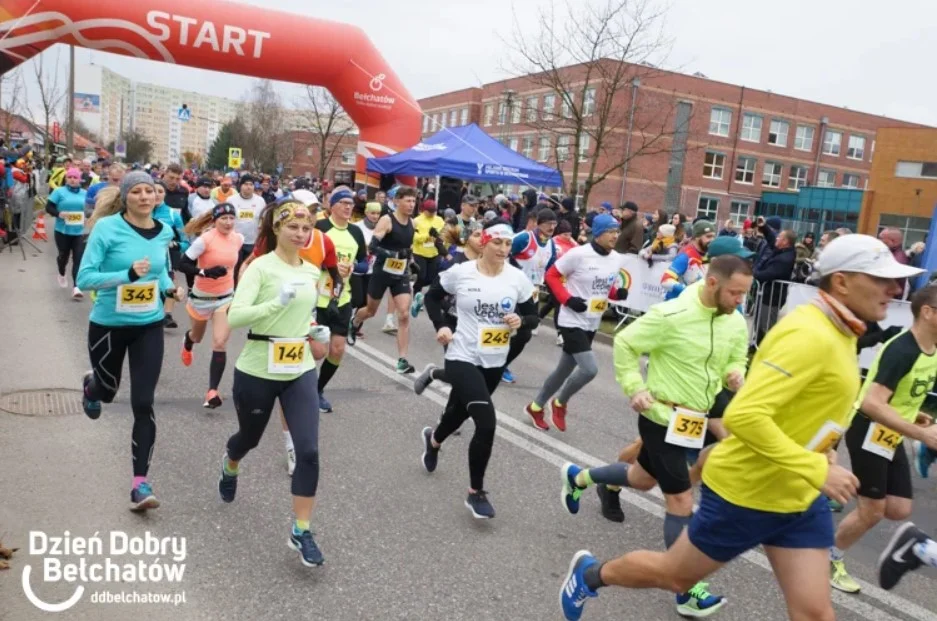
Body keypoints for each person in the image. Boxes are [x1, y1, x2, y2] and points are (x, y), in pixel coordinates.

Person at [558, 234, 923, 621]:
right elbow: (744, 416)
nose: (896, 289)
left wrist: (823, 449)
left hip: (798, 494)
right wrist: (815, 466)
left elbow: (805, 403)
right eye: (880, 278)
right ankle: (591, 574)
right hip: (748, 491)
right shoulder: (808, 333)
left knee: (816, 614)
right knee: (674, 574)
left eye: (896, 280)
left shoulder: (841, 331)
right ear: (842, 282)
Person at [559, 254, 751, 618]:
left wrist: (735, 372)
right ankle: (687, 591)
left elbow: (737, 355)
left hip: (694, 420)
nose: (739, 301)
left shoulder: (734, 320)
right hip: (661, 416)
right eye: (735, 293)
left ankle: (578, 477)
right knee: (680, 502)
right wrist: (634, 387)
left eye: (744, 295)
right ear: (712, 283)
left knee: (641, 478)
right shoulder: (672, 315)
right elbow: (626, 342)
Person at [218, 200, 327, 567]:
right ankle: (231, 463)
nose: (301, 233)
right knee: (248, 438)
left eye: (306, 227)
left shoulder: (312, 271)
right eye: (293, 227)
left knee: (308, 451)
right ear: (277, 229)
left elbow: (306, 313)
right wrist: (273, 306)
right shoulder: (258, 268)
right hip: (257, 368)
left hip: (298, 369)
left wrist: (315, 330)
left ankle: (301, 530)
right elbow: (235, 317)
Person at [76, 172, 184, 512]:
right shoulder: (107, 229)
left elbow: (161, 271)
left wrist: (169, 288)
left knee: (143, 402)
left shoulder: (164, 230)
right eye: (136, 191)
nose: (144, 196)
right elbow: (86, 277)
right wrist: (126, 276)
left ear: (156, 196)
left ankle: (140, 483)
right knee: (108, 392)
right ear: (125, 197)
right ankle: (92, 388)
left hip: (147, 325)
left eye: (149, 191)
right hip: (108, 325)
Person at [420, 219, 538, 519]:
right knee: (486, 422)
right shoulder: (461, 273)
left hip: (495, 360)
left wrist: (521, 322)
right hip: (461, 355)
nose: (503, 248)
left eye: (508, 243)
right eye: (497, 242)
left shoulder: (517, 278)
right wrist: (443, 325)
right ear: (483, 242)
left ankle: (433, 440)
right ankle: (475, 493)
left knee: (458, 413)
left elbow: (533, 316)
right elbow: (432, 296)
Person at [828, 284, 937, 593]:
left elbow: (899, 396)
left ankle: (837, 483)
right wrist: (920, 434)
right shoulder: (902, 349)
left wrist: (913, 416)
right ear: (928, 313)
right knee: (872, 511)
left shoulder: (933, 348)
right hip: (869, 431)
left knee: (899, 509)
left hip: (892, 432)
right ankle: (831, 558)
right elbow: (871, 403)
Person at [524, 214, 629, 432]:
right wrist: (567, 299)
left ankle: (535, 407)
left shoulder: (617, 258)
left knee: (563, 370)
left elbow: (603, 285)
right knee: (589, 369)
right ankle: (560, 402)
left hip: (592, 321)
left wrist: (616, 294)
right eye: (610, 231)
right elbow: (552, 275)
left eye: (617, 231)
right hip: (571, 320)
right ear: (598, 234)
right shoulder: (579, 254)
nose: (615, 236)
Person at [177, 203, 244, 408]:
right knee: (197, 336)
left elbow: (238, 264)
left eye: (231, 218)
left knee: (220, 342)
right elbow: (182, 264)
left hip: (225, 298)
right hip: (202, 298)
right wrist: (204, 272)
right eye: (223, 218)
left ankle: (212, 391)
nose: (228, 222)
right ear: (215, 220)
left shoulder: (238, 239)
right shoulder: (205, 240)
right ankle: (188, 341)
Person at [348, 187, 417, 374]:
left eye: (413, 201)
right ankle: (354, 323)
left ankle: (402, 360)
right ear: (397, 201)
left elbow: (407, 247)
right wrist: (393, 254)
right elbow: (372, 247)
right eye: (407, 201)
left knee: (403, 314)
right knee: (370, 311)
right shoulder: (387, 220)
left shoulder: (412, 222)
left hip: (400, 273)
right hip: (381, 271)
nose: (411, 205)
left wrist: (412, 262)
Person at [313, 188, 368, 412]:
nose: (348, 207)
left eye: (351, 203)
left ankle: (317, 390)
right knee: (317, 351)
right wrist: (330, 266)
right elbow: (304, 256)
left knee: (337, 350)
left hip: (341, 298)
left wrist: (354, 266)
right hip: (317, 298)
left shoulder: (356, 232)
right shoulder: (321, 228)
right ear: (332, 206)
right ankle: (297, 387)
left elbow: (365, 263)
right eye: (343, 202)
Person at [45, 167, 87, 299]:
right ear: (66, 179)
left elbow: (90, 209)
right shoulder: (59, 192)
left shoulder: (85, 193)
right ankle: (61, 272)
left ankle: (76, 287)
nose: (72, 180)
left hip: (80, 232)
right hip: (62, 231)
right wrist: (59, 214)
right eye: (70, 177)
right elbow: (48, 207)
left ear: (79, 179)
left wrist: (88, 217)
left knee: (78, 259)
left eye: (75, 177)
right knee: (63, 256)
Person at [410, 198, 446, 318]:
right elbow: (414, 237)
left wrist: (438, 235)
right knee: (421, 276)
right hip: (420, 252)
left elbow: (444, 234)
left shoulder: (439, 220)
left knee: (431, 278)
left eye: (434, 211)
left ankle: (421, 293)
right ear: (424, 210)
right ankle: (417, 295)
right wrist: (427, 235)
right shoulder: (416, 221)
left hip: (434, 252)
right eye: (430, 211)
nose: (432, 213)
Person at [660, 219, 715, 300]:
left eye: (713, 236)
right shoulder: (686, 256)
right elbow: (665, 280)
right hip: (679, 305)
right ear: (697, 237)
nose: (712, 240)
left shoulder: (710, 255)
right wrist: (688, 290)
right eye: (708, 236)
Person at [230, 174, 266, 285]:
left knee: (249, 269)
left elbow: (263, 220)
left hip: (252, 241)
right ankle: (233, 290)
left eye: (251, 184)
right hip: (235, 242)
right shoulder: (231, 200)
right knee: (235, 268)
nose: (248, 187)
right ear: (240, 186)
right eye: (245, 184)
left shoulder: (260, 201)